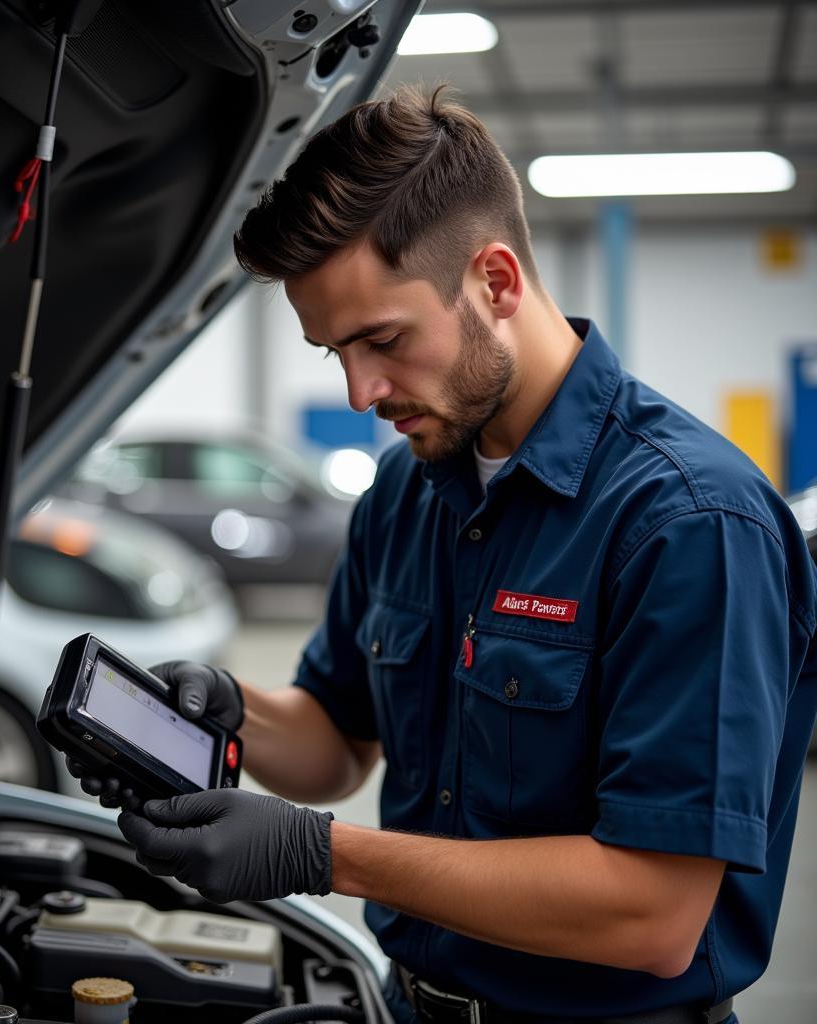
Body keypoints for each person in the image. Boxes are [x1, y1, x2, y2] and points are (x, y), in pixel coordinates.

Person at [71, 87, 817, 1024]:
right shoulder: (407, 492)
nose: (359, 390)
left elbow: (653, 913)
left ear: (496, 282)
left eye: (381, 340)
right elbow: (337, 745)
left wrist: (319, 854)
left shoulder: (690, 522)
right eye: (333, 351)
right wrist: (230, 712)